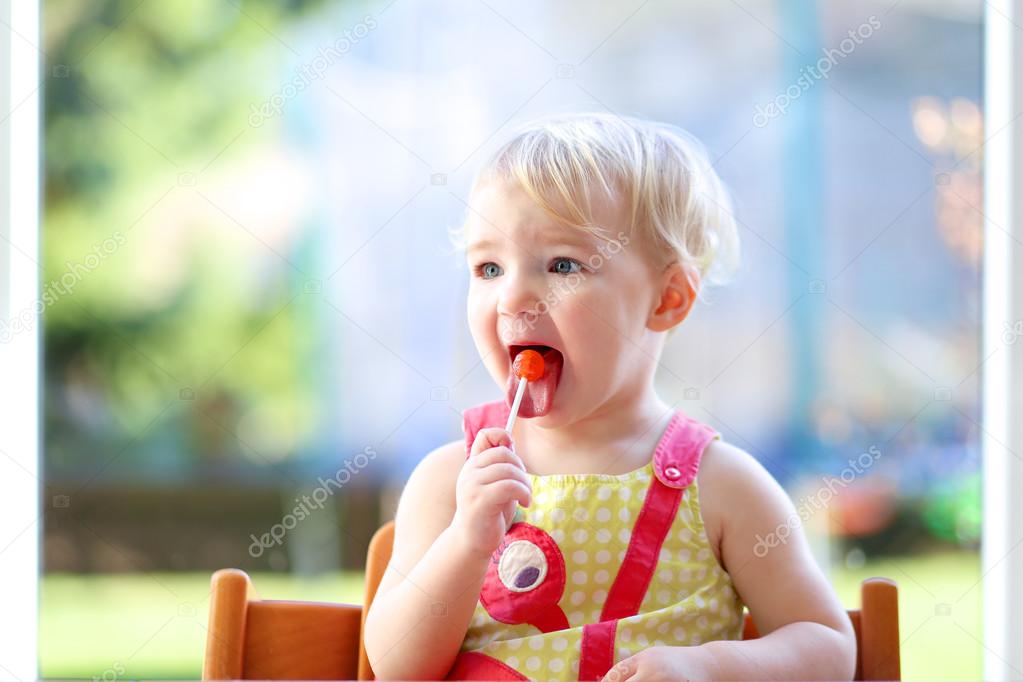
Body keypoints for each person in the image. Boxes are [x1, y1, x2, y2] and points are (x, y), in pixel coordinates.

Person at [364, 113, 856, 681]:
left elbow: (828, 648)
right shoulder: (452, 481)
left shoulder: (722, 487)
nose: (513, 295)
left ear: (667, 299)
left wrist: (710, 669)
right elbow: (396, 666)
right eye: (489, 267)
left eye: (563, 265)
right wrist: (465, 543)